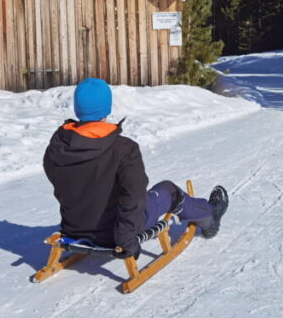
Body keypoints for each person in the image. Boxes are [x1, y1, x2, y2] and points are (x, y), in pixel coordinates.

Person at [43, 77, 228, 259]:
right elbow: (134, 197)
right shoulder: (124, 149)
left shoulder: (58, 147)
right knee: (168, 190)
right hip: (115, 232)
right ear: (106, 108)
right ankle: (209, 217)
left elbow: (62, 183)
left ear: (78, 108)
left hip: (74, 227)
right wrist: (125, 238)